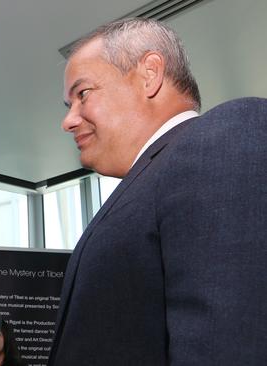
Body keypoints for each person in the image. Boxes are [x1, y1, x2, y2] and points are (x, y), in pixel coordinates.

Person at [48, 18, 267, 365]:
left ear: (149, 74)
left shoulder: (224, 138)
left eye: (83, 94)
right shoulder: (154, 178)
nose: (68, 120)